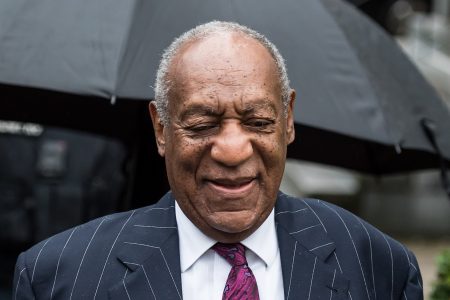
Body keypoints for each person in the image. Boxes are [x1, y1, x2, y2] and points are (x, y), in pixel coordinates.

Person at [13, 21, 423, 300]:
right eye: (202, 123)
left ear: (288, 120)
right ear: (161, 128)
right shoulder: (60, 277)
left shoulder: (378, 265)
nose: (232, 150)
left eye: (258, 121)